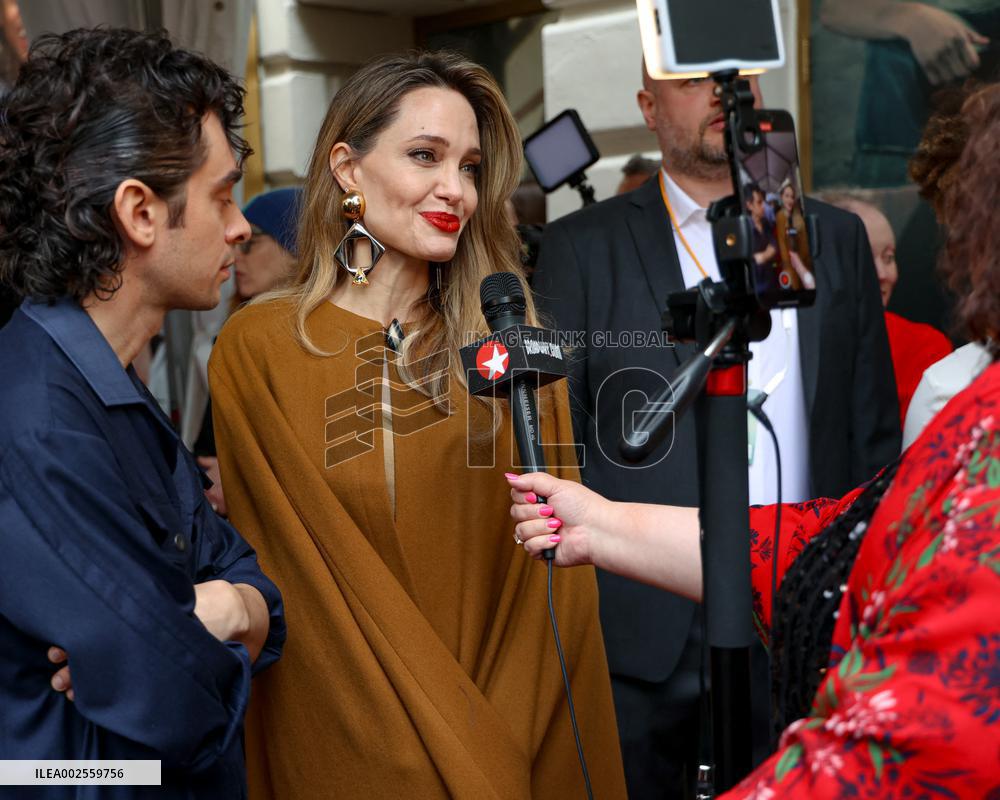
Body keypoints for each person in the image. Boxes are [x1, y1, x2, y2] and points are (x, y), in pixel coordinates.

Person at [507, 87, 1000, 797]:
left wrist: (847, 602)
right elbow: (567, 429)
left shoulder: (826, 238)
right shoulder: (585, 244)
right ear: (647, 105)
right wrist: (598, 526)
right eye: (689, 76)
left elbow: (867, 463)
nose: (717, 89)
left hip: (803, 626)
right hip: (644, 624)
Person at [209, 50, 626, 799]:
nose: (454, 189)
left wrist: (483, 762)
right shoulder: (260, 351)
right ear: (347, 167)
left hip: (506, 756)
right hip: (343, 757)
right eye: (425, 156)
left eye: (469, 167)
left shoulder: (518, 352)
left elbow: (552, 601)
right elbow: (296, 591)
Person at [0, 27, 285, 797]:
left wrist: (227, 606)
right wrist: (229, 615)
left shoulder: (104, 385)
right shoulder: (38, 417)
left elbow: (253, 592)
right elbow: (177, 700)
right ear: (140, 212)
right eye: (222, 195)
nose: (240, 226)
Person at [195, 186, 303, 515]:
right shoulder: (237, 336)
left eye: (252, 242)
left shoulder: (323, 343)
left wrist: (243, 488)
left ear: (298, 248)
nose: (235, 257)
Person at [820, 193, 953, 426]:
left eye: (889, 257)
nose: (883, 274)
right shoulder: (796, 345)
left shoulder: (923, 347)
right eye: (863, 257)